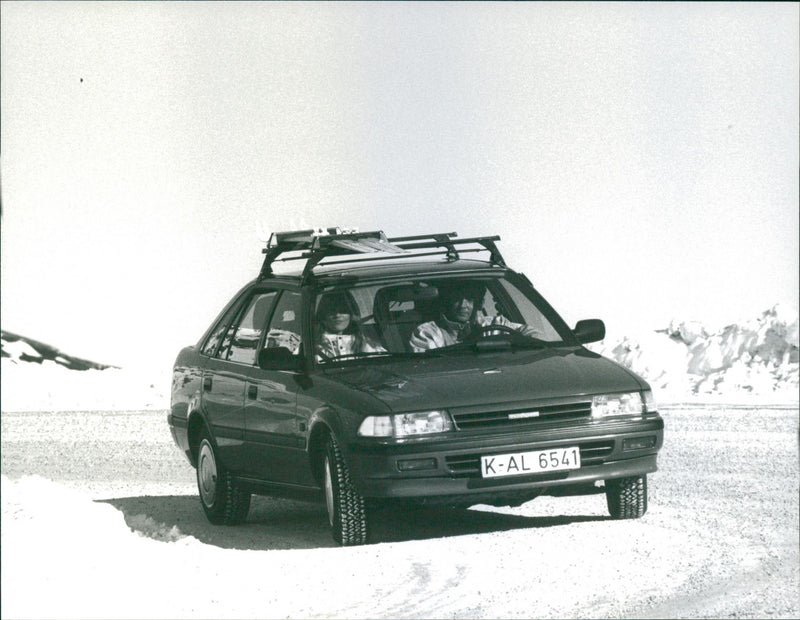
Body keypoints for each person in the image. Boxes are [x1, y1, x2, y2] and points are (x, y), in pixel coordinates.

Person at [409, 282, 541, 352]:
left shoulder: (494, 323)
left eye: (469, 300)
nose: (463, 306)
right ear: (447, 301)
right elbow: (428, 367)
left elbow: (531, 333)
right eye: (457, 299)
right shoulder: (427, 333)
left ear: (478, 303)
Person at [314, 291, 386, 361]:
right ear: (323, 316)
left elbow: (387, 364)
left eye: (343, 310)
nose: (337, 315)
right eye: (332, 311)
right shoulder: (313, 348)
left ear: (351, 315)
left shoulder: (364, 344)